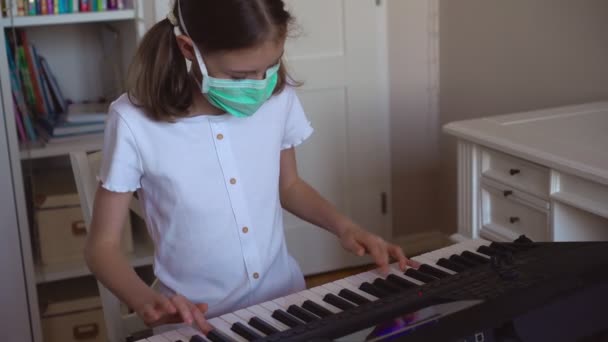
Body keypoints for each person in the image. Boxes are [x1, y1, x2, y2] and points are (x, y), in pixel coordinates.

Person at [85, 0, 412, 334]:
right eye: (239, 76)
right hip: (198, 324)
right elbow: (102, 248)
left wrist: (347, 228)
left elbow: (290, 186)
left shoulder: (278, 97)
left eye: (270, 67)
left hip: (286, 305)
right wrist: (145, 300)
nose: (259, 86)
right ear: (188, 48)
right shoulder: (134, 122)